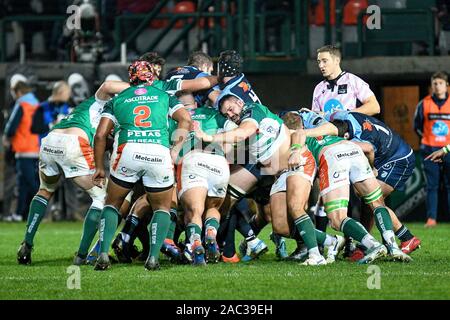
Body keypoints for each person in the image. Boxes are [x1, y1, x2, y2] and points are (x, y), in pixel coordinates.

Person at [92, 59, 192, 271]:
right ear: (151, 77)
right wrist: (176, 148)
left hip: (127, 152)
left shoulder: (118, 99)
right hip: (158, 152)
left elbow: (100, 135)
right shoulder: (166, 96)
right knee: (162, 207)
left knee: (112, 204)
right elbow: (186, 120)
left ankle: (102, 254)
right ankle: (153, 258)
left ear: (131, 78)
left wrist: (100, 167)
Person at [15, 79, 129, 265]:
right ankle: (81, 256)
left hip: (51, 140)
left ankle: (26, 244)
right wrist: (141, 89)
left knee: (45, 191)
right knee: (102, 198)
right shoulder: (113, 108)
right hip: (74, 142)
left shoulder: (91, 103)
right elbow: (108, 86)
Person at [291, 113, 412, 264]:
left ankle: (373, 245)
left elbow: (298, 137)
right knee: (377, 203)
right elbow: (368, 148)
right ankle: (393, 247)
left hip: (332, 157)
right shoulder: (325, 126)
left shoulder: (296, 134)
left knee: (337, 218)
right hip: (354, 150)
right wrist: (372, 167)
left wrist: (294, 150)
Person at [414, 71, 450, 227]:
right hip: (429, 149)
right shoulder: (424, 103)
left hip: (448, 150)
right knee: (431, 186)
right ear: (431, 86)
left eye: (440, 83)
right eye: (435, 83)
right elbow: (417, 127)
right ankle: (431, 219)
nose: (437, 86)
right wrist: (428, 141)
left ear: (447, 85)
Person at [3, 79, 40, 223]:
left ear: (17, 92)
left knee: (30, 183)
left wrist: (7, 138)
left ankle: (43, 210)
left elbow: (11, 127)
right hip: (35, 148)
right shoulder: (36, 104)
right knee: (23, 183)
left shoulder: (21, 105)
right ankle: (19, 214)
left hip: (23, 150)